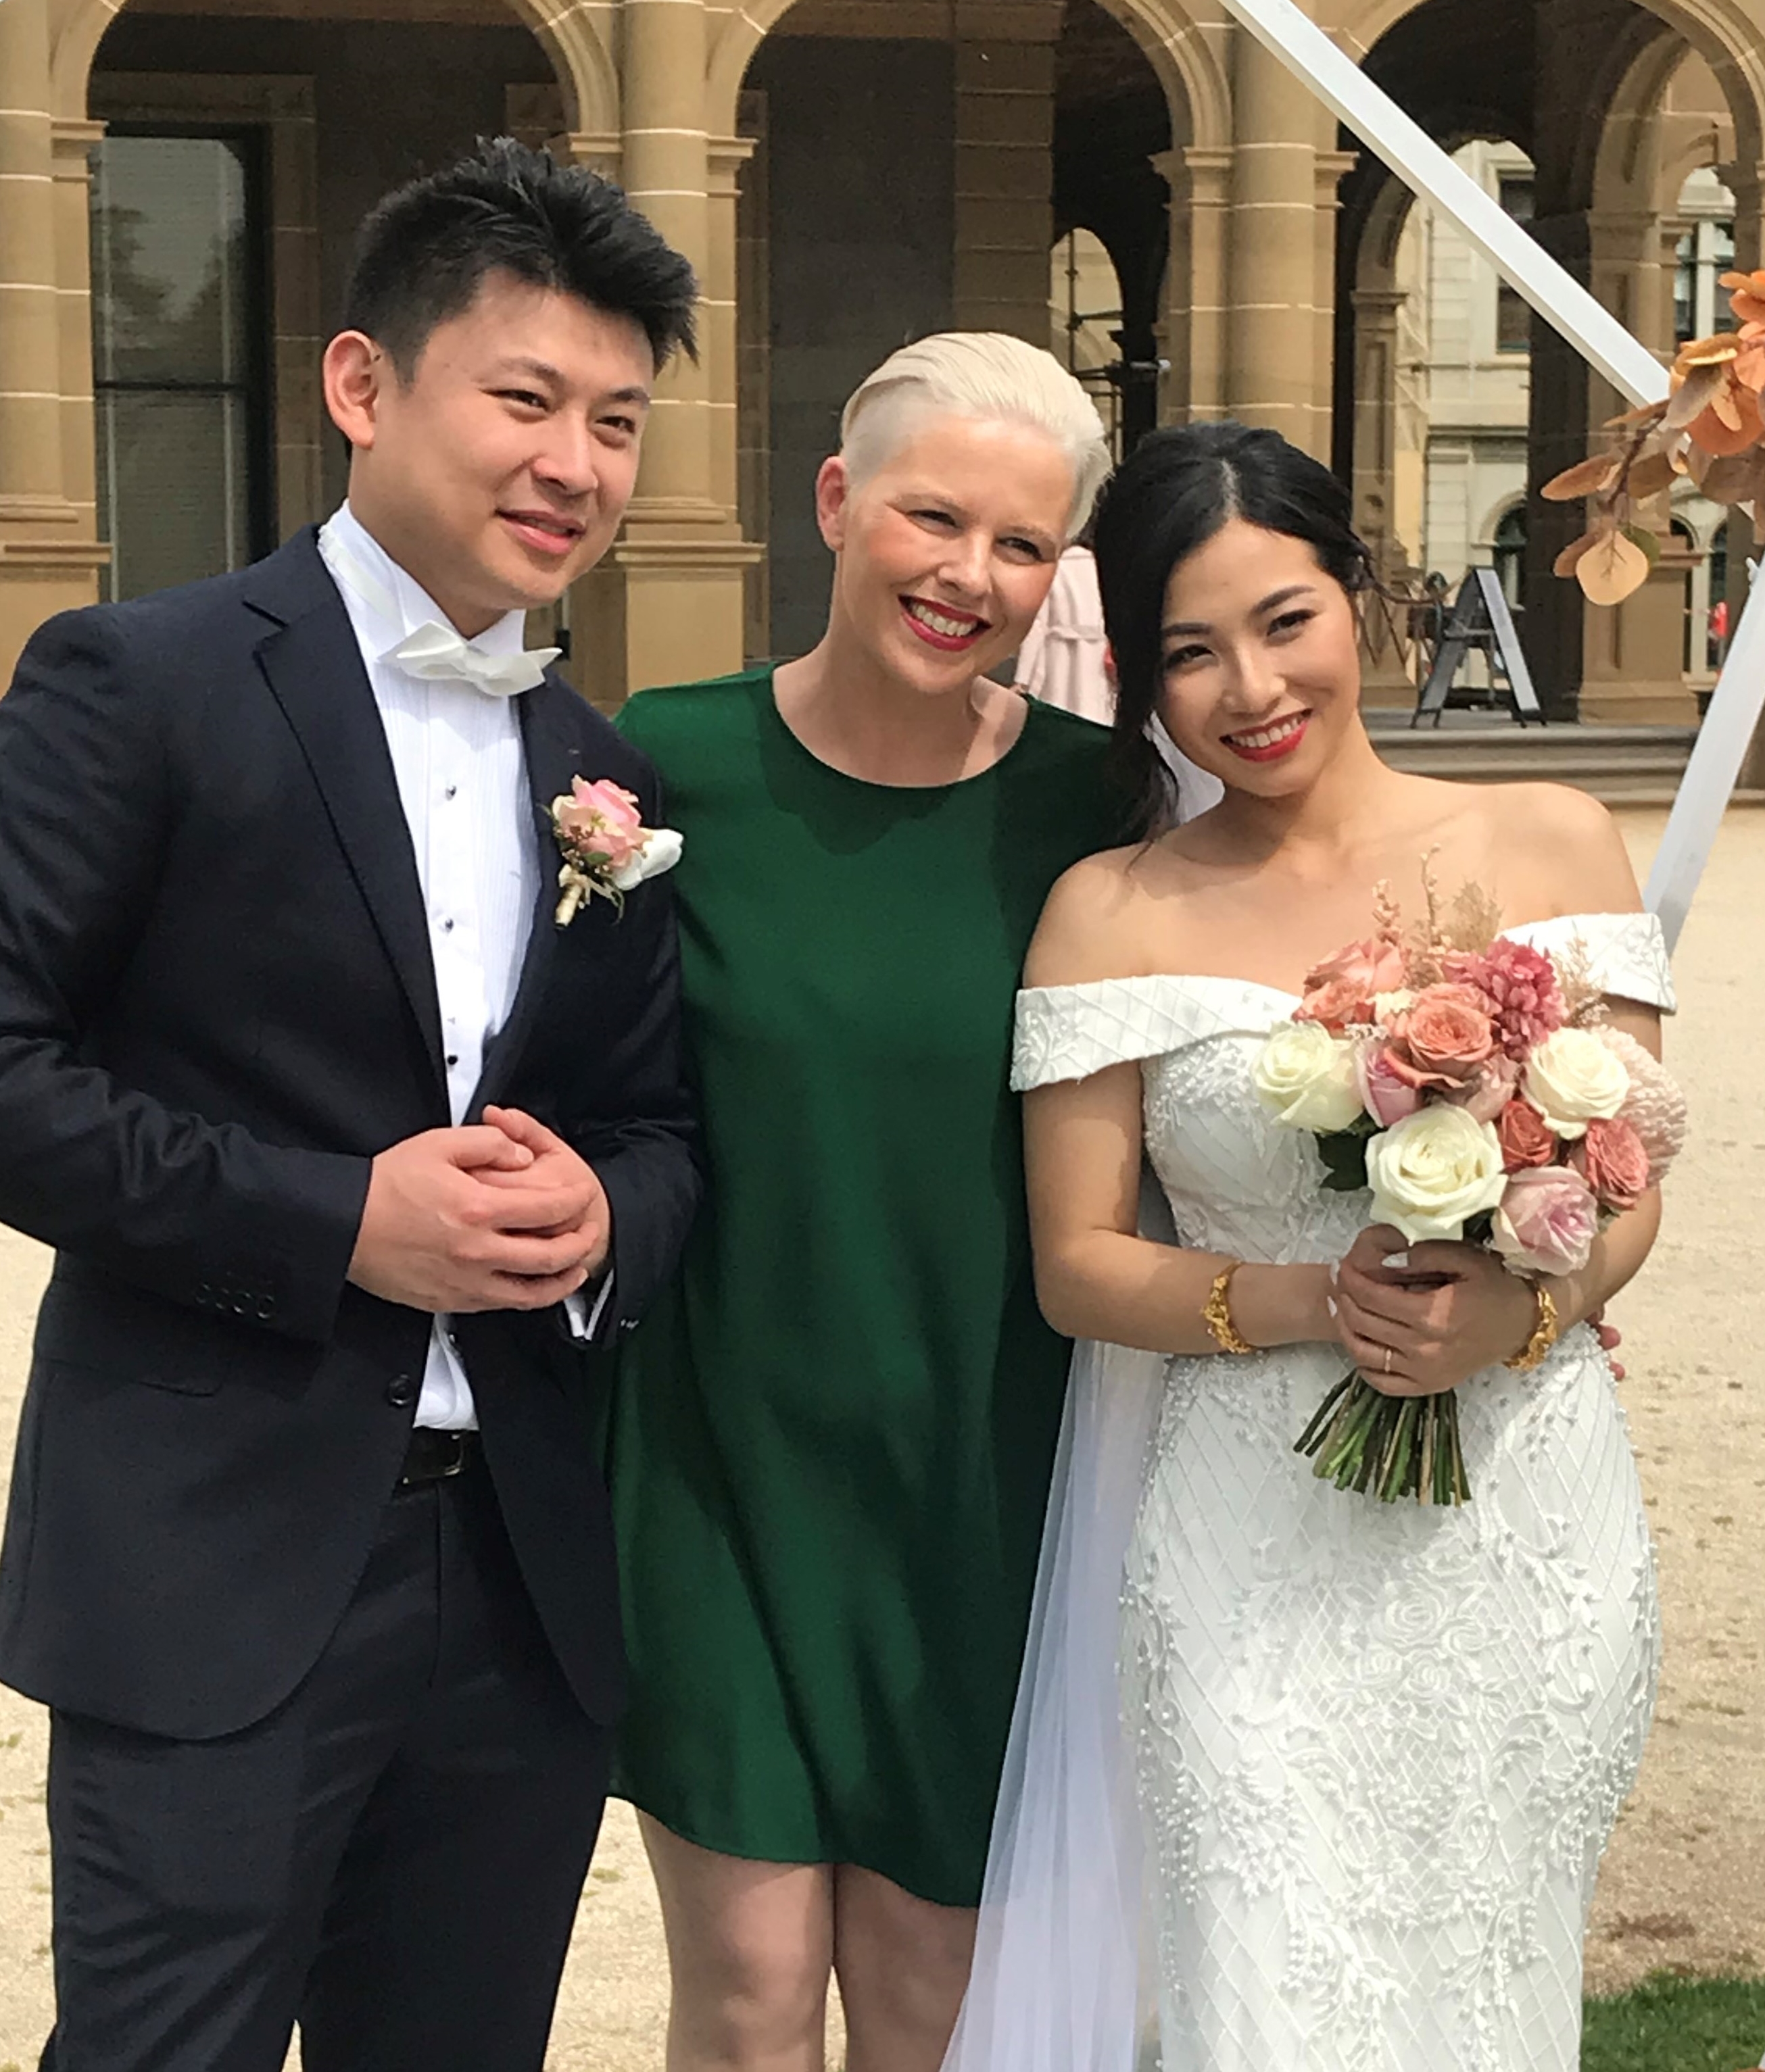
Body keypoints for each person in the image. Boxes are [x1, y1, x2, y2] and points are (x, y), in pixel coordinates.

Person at [0, 140, 700, 2072]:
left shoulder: (608, 775)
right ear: (363, 385)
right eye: (527, 399)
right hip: (213, 1565)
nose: (576, 463)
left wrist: (604, 1221)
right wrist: (338, 1223)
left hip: (518, 1589)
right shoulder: (136, 684)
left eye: (617, 422)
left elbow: (659, 1128)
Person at [946, 422, 1672, 2072]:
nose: (1252, 689)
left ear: (1360, 596)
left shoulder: (1554, 839)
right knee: (1259, 1993)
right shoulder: (1106, 912)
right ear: (1138, 676)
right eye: (1191, 652)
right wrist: (1309, 1299)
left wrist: (1526, 1309)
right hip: (1243, 1545)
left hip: (1524, 1518)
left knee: (1491, 1989)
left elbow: (1630, 1181)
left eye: (1285, 621)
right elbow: (1077, 1264)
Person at [606, 333, 1123, 2072]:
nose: (971, 574)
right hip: (715, 1465)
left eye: (1023, 544)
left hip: (987, 1484)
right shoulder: (658, 767)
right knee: (749, 1992)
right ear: (837, 501)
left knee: (928, 2002)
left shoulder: (1099, 806)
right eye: (933, 518)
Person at [1013, 539, 1224, 820]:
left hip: (1061, 653)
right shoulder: (1106, 572)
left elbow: (1038, 629)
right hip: (1097, 651)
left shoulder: (1058, 570)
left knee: (1060, 711)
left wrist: (1024, 679)